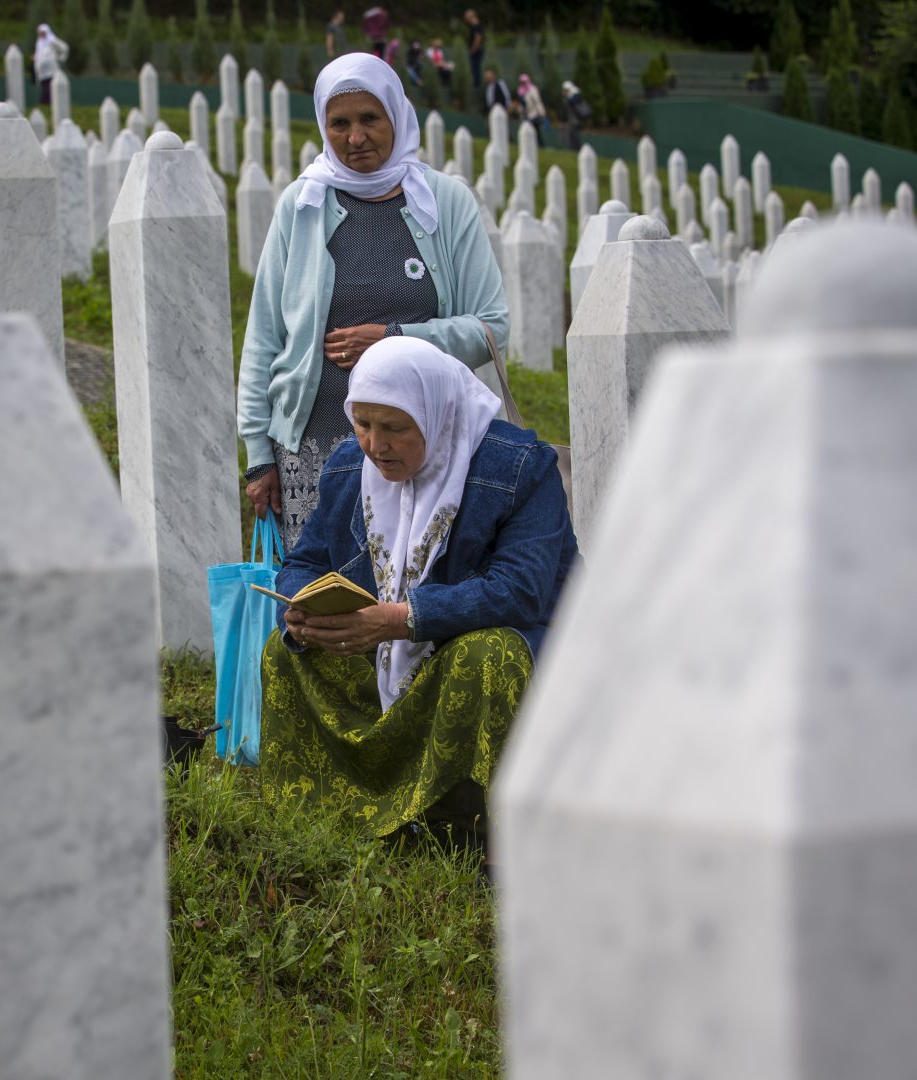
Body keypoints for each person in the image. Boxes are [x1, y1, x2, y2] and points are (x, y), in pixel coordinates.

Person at [260, 337, 578, 845]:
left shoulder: (519, 467)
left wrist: (402, 619)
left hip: (493, 652)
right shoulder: (349, 468)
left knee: (485, 656)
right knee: (287, 651)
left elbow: (520, 592)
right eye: (362, 423)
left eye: (394, 428)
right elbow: (304, 562)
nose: (374, 445)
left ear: (437, 413)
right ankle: (340, 809)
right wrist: (302, 611)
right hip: (384, 646)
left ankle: (473, 825)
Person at [237, 53, 510, 549]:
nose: (355, 138)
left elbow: (490, 328)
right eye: (338, 123)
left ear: (396, 116)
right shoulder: (302, 205)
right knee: (324, 600)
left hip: (426, 447)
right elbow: (264, 337)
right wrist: (259, 453)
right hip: (314, 446)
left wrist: (393, 340)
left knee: (415, 596)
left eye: (369, 119)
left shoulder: (445, 201)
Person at [33, 23, 69, 105]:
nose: (40, 34)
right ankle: (45, 103)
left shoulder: (52, 40)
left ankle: (46, 103)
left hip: (51, 70)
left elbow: (64, 47)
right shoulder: (39, 42)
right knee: (44, 87)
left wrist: (60, 58)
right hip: (42, 72)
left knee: (49, 88)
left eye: (42, 32)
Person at [517, 72, 547, 146]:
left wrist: (542, 112)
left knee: (535, 132)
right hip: (525, 115)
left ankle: (541, 146)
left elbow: (537, 102)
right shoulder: (520, 91)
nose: (523, 83)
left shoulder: (533, 90)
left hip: (533, 114)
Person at [561, 79, 591, 151]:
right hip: (573, 121)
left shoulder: (574, 96)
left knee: (574, 137)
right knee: (572, 136)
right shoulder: (572, 96)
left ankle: (576, 150)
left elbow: (572, 103)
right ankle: (574, 150)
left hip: (576, 121)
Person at [464, 9, 484, 92]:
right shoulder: (475, 25)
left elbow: (478, 37)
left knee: (476, 68)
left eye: (466, 16)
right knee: (474, 68)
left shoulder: (476, 25)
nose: (465, 18)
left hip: (476, 51)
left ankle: (477, 86)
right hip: (476, 50)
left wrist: (473, 48)